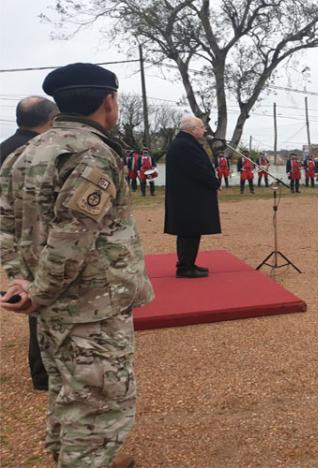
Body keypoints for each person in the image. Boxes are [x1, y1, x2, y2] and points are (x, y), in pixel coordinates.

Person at [0, 63, 153, 468]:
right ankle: (87, 459)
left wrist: (20, 280)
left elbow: (6, 224)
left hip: (54, 303)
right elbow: (73, 236)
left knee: (71, 391)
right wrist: (39, 293)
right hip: (89, 305)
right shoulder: (92, 154)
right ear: (108, 101)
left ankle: (80, 457)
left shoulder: (25, 152)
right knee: (100, 402)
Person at [0, 96, 58, 393]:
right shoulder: (34, 153)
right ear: (50, 120)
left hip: (8, 237)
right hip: (33, 240)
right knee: (39, 306)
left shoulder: (3, 149)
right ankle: (44, 374)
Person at [164, 116, 222, 278]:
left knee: (191, 232)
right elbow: (198, 169)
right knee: (188, 232)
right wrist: (214, 183)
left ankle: (188, 263)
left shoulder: (185, 143)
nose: (204, 130)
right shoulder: (184, 145)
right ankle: (185, 268)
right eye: (202, 127)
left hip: (189, 196)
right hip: (188, 198)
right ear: (192, 129)